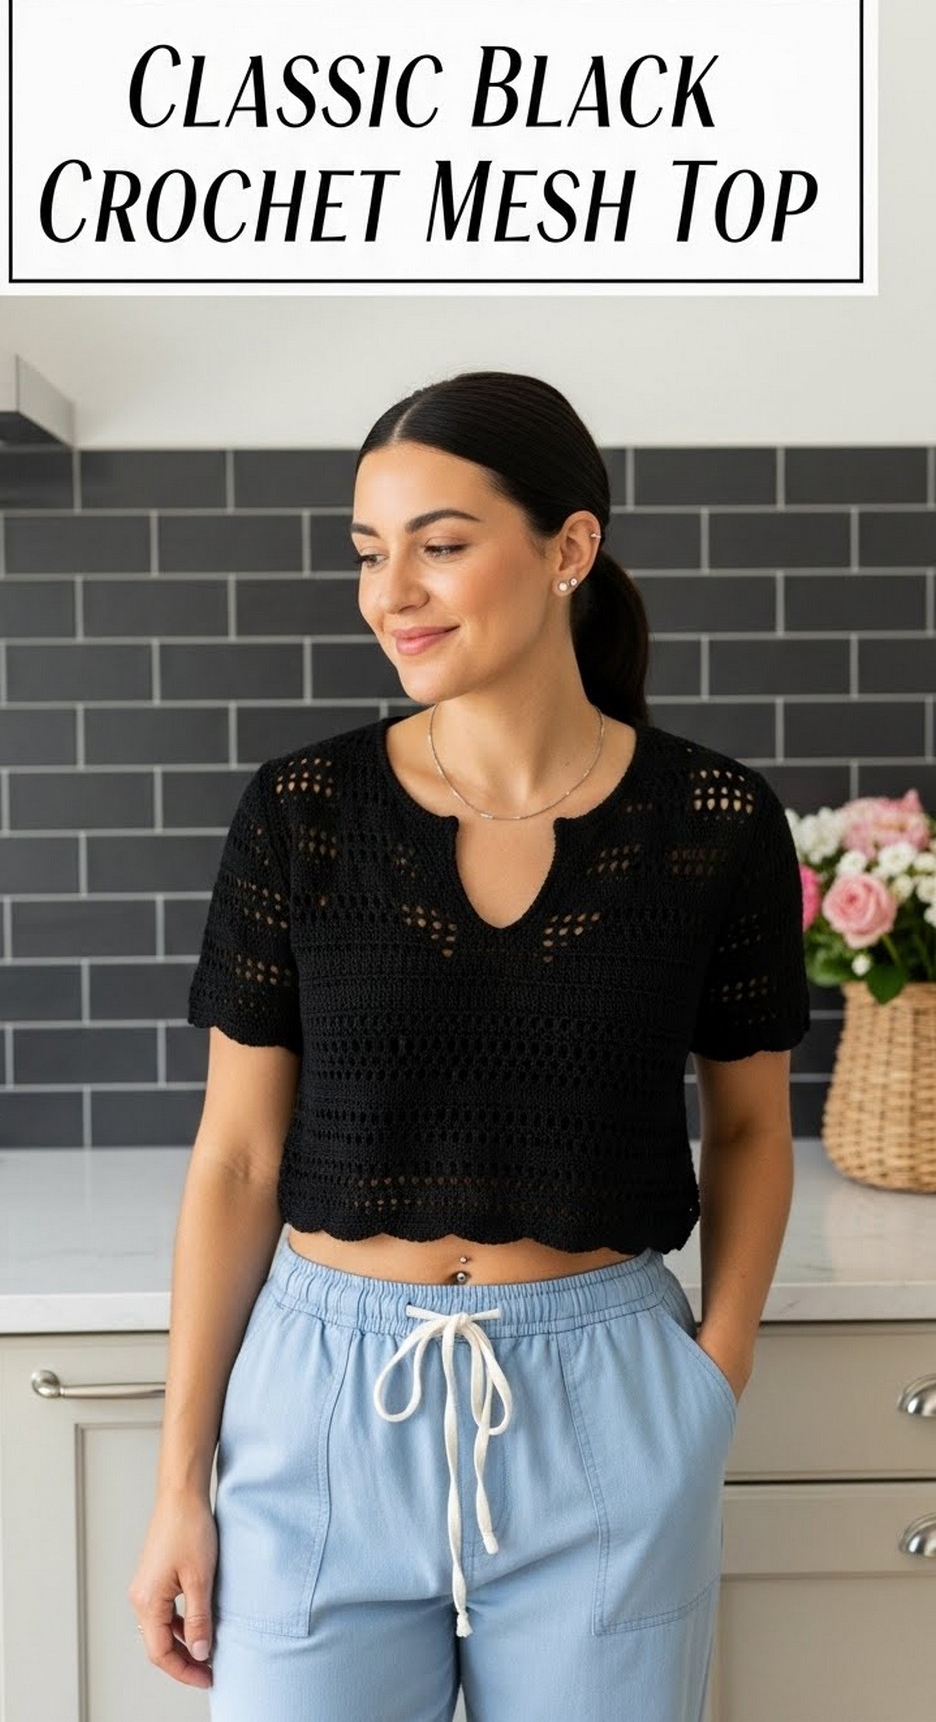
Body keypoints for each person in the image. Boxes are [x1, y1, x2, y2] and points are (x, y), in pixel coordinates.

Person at [128, 371, 810, 1721]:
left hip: (608, 1402)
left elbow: (746, 1127)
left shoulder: (713, 821)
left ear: (569, 547)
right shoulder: (303, 813)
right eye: (371, 555)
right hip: (319, 1410)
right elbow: (238, 1161)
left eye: (440, 546)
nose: (395, 593)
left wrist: (707, 1387)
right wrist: (178, 1486)